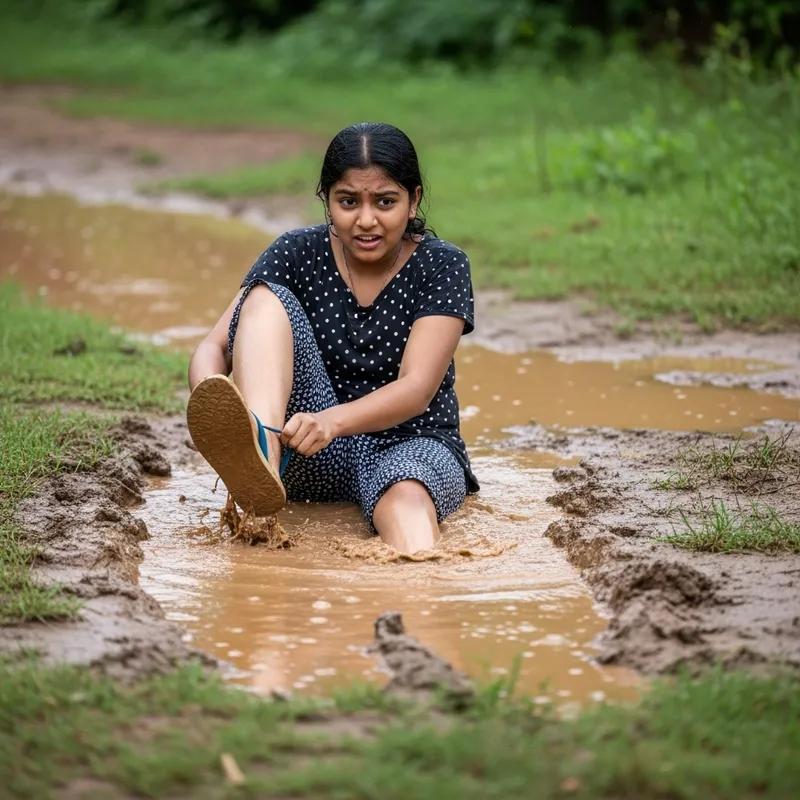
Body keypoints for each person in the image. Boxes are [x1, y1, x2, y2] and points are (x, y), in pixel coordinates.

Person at [186, 122, 479, 554]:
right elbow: (214, 347)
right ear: (327, 202)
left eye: (385, 202)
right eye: (348, 202)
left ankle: (420, 598)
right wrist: (216, 406)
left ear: (413, 200)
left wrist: (332, 422)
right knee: (265, 299)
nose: (366, 220)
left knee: (410, 515)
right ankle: (261, 454)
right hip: (305, 452)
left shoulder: (442, 265)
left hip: (412, 443)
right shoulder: (295, 252)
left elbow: (417, 389)